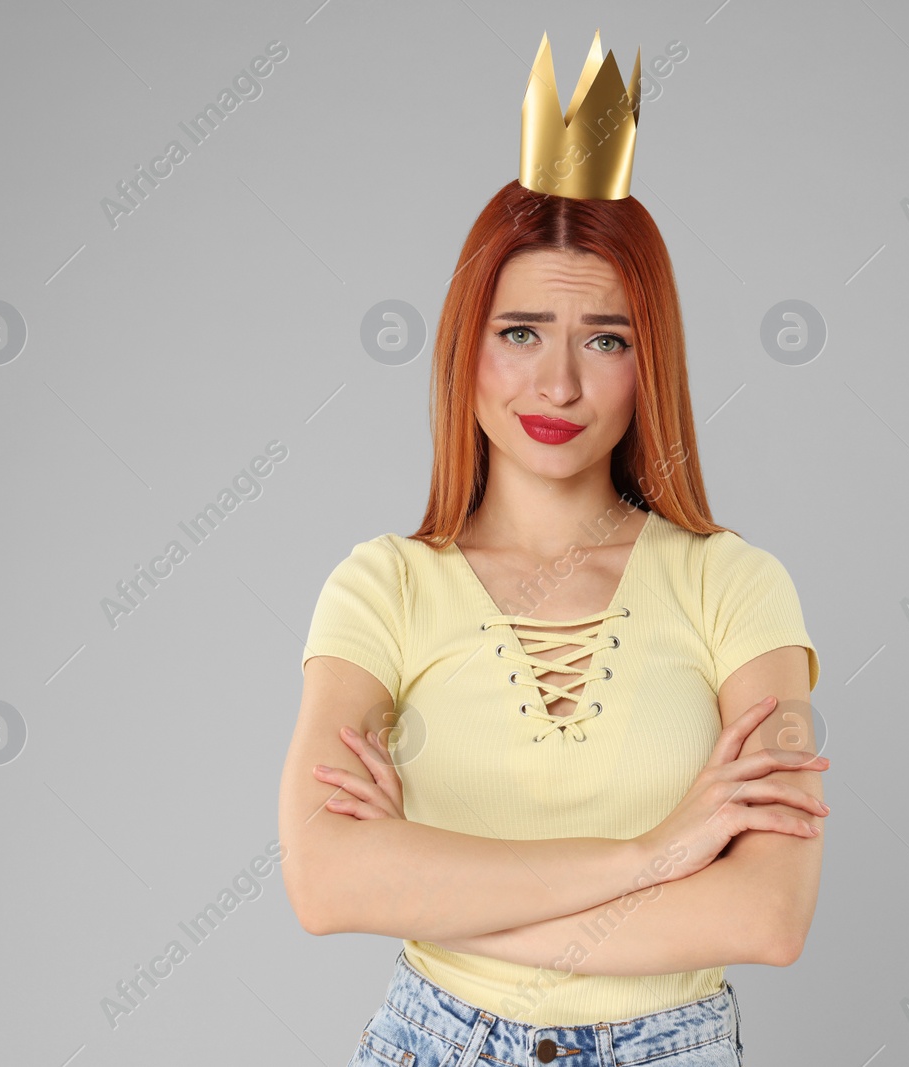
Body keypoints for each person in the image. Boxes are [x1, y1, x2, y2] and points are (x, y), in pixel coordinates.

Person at [278, 30, 826, 1067]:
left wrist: (440, 895)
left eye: (606, 339)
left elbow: (766, 914)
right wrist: (656, 854)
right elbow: (324, 881)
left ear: (647, 360)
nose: (559, 385)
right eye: (520, 332)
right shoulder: (380, 589)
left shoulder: (737, 588)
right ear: (464, 345)